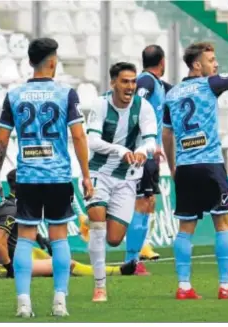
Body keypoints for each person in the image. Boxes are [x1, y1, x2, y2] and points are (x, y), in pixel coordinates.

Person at [0, 37, 94, 318]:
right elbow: (79, 135)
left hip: (28, 178)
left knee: (25, 238)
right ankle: (59, 300)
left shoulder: (14, 95)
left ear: (31, 61)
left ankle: (24, 302)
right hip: (57, 177)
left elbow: (1, 139)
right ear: (52, 61)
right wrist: (85, 175)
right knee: (59, 239)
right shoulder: (66, 93)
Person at [162, 24, 228, 300]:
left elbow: (167, 134)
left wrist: (174, 167)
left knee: (186, 228)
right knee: (222, 224)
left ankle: (184, 286)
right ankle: (224, 285)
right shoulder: (210, 84)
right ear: (197, 65)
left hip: (185, 168)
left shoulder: (171, 94)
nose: (216, 64)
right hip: (210, 165)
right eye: (211, 60)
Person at [85, 62, 157, 302]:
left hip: (127, 177)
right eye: (125, 81)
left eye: (133, 82)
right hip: (98, 172)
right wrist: (120, 149)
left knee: (114, 239)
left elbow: (150, 142)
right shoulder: (100, 104)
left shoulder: (144, 107)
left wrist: (142, 152)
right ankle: (100, 287)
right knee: (97, 227)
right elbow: (92, 141)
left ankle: (97, 212)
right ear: (113, 82)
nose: (130, 87)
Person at [0, 169, 136, 279]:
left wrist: (40, 239)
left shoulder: (17, 204)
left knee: (61, 259)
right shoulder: (11, 209)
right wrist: (9, 268)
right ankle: (118, 271)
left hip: (26, 255)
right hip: (15, 262)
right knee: (66, 264)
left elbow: (18, 230)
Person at [124, 45, 172, 275]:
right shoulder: (146, 82)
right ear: (162, 61)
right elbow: (135, 106)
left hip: (151, 153)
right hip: (142, 153)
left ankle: (137, 254)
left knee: (148, 202)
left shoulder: (158, 84)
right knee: (141, 203)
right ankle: (131, 260)